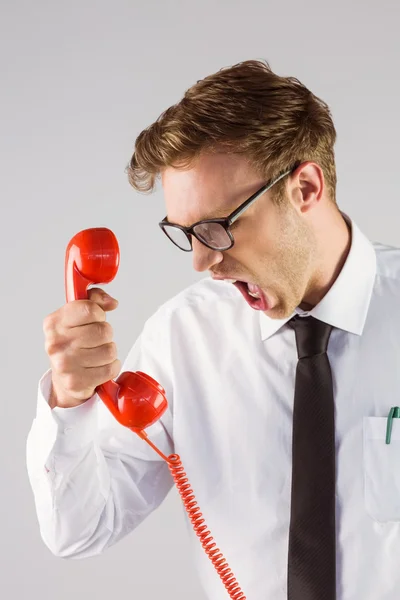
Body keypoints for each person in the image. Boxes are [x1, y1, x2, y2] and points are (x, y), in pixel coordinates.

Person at [25, 59, 400, 600]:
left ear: (306, 188)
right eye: (185, 233)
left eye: (219, 227)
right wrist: (70, 401)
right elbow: (78, 529)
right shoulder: (183, 338)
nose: (202, 262)